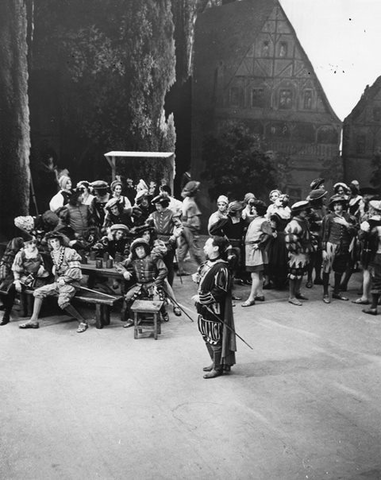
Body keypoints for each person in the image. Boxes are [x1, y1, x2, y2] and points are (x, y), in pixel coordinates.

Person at [19, 231, 89, 333]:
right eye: (52, 241)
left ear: (60, 241)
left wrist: (65, 279)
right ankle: (33, 320)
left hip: (71, 284)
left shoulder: (69, 252)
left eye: (56, 241)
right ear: (49, 243)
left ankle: (82, 321)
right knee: (38, 292)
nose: (55, 243)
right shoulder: (52, 254)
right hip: (58, 283)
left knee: (62, 302)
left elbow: (76, 268)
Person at [192, 236, 236, 379]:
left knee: (214, 337)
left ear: (216, 248)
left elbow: (220, 291)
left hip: (214, 309)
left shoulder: (222, 268)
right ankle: (214, 361)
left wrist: (202, 298)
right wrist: (197, 278)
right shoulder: (206, 264)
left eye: (207, 245)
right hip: (203, 308)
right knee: (206, 335)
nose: (204, 247)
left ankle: (218, 367)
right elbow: (203, 278)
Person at [115, 237, 169, 328]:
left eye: (141, 248)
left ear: (146, 249)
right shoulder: (132, 260)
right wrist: (124, 272)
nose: (140, 251)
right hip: (139, 286)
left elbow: (164, 270)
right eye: (137, 249)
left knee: (157, 299)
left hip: (152, 285)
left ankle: (163, 313)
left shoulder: (153, 257)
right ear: (134, 251)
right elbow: (118, 264)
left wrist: (157, 283)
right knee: (128, 297)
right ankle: (133, 318)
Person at [0, 233, 50, 326]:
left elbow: (43, 263)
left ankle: (34, 316)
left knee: (39, 290)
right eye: (30, 243)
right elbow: (16, 269)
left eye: (34, 243)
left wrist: (42, 267)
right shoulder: (21, 254)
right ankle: (6, 316)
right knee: (11, 289)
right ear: (26, 244)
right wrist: (17, 280)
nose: (33, 245)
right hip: (25, 278)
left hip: (38, 278)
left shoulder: (39, 253)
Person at [321, 194, 357, 304]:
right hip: (331, 245)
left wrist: (346, 224)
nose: (337, 207)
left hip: (344, 246)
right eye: (335, 205)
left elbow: (355, 232)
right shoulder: (328, 218)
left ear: (343, 206)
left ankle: (336, 291)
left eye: (339, 205)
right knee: (327, 268)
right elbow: (324, 234)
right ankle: (326, 293)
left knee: (340, 269)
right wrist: (323, 250)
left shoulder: (350, 218)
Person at [242, 200, 272, 307]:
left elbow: (268, 234)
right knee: (258, 274)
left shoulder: (263, 221)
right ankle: (259, 293)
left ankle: (251, 298)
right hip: (250, 248)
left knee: (255, 274)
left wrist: (259, 244)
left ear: (259, 210)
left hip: (255, 248)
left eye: (254, 208)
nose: (252, 210)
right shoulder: (256, 220)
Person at [147, 193, 183, 286]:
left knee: (169, 265)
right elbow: (147, 226)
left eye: (159, 205)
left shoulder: (172, 214)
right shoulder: (153, 215)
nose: (157, 207)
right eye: (156, 206)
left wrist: (175, 236)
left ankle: (169, 286)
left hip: (169, 243)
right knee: (156, 265)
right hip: (156, 243)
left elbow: (180, 227)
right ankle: (158, 285)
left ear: (164, 204)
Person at [284, 201, 313, 306]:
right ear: (298, 212)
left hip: (304, 252)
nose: (305, 212)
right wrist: (296, 249)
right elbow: (290, 240)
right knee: (294, 274)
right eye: (303, 211)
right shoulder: (293, 224)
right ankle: (291, 296)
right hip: (297, 253)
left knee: (300, 273)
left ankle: (297, 292)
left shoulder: (304, 221)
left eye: (306, 210)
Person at [358, 200, 381, 315]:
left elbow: (361, 236)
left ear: (372, 210)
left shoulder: (368, 223)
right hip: (378, 252)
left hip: (372, 252)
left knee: (368, 274)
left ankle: (366, 298)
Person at [177, 180, 203, 276]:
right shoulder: (191, 203)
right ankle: (203, 268)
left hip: (184, 227)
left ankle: (180, 269)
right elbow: (190, 219)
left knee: (183, 248)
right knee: (195, 248)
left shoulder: (186, 201)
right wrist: (195, 230)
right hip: (190, 228)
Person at [266, 193, 291, 290]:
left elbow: (273, 228)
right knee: (284, 257)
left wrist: (273, 232)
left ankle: (276, 281)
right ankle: (283, 281)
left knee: (276, 257)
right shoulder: (288, 214)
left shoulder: (275, 215)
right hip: (286, 236)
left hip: (278, 238)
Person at [305, 188, 328, 288]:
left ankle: (318, 277)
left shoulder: (324, 209)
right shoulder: (310, 210)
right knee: (311, 258)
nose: (325, 199)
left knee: (319, 258)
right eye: (323, 197)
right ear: (318, 199)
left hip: (322, 236)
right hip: (313, 236)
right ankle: (309, 278)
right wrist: (316, 223)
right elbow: (306, 223)